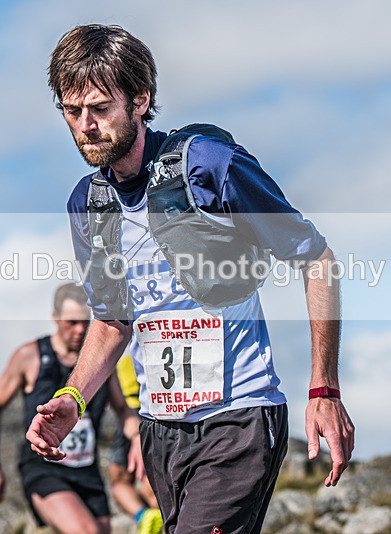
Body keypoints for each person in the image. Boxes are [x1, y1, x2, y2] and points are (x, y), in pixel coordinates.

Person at [27, 25, 355, 534]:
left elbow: (316, 259)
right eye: (72, 112)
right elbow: (114, 319)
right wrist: (73, 398)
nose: (85, 126)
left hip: (238, 420)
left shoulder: (209, 165)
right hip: (161, 432)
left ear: (141, 99)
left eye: (99, 108)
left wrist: (324, 390)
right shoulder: (87, 204)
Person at [0, 283, 143, 534]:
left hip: (87, 471)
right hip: (44, 469)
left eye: (84, 323)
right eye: (71, 322)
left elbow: (122, 410)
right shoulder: (30, 356)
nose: (79, 330)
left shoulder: (98, 366)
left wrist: (137, 438)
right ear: (55, 318)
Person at [108, 355, 163, 534]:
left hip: (128, 417)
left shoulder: (126, 359)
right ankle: (152, 515)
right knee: (152, 479)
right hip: (153, 415)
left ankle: (143, 515)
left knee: (120, 479)